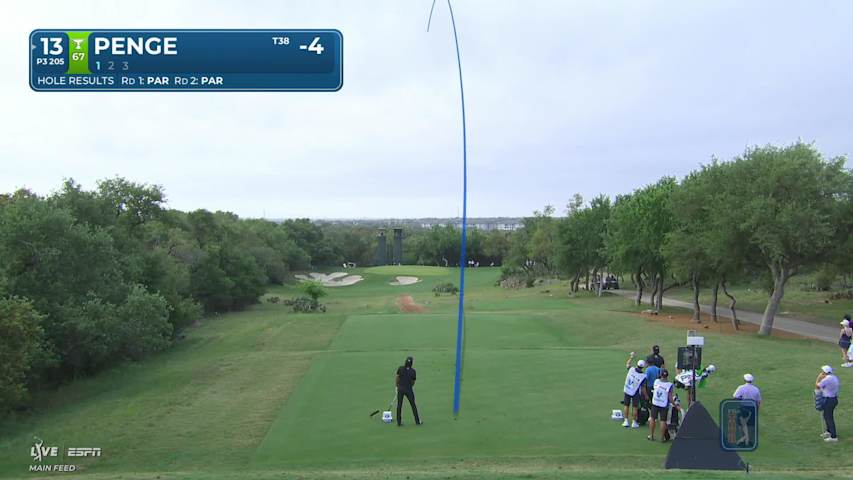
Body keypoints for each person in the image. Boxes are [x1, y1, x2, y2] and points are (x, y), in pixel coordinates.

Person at [648, 369, 674, 442]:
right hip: (663, 404)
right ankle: (662, 438)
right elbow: (670, 397)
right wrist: (675, 405)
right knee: (663, 421)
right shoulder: (670, 385)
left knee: (653, 419)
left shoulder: (656, 381)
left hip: (655, 402)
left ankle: (651, 435)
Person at [622, 353, 647, 429]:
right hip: (635, 392)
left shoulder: (631, 369)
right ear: (643, 367)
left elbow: (628, 363)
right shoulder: (643, 376)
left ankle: (626, 421)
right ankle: (634, 422)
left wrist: (631, 357)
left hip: (627, 390)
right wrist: (646, 396)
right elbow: (643, 388)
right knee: (635, 407)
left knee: (626, 405)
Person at [395, 356, 421, 426]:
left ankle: (399, 422)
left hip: (400, 388)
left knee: (399, 405)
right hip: (408, 389)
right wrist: (409, 386)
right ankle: (417, 421)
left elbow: (397, 378)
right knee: (413, 405)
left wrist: (397, 386)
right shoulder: (413, 371)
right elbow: (413, 382)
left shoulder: (400, 368)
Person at [816, 365, 840, 442]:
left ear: (824, 373)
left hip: (829, 400)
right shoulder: (834, 377)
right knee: (827, 415)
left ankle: (833, 437)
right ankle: (828, 431)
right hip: (834, 399)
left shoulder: (826, 379)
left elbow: (817, 386)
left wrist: (819, 377)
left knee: (828, 417)